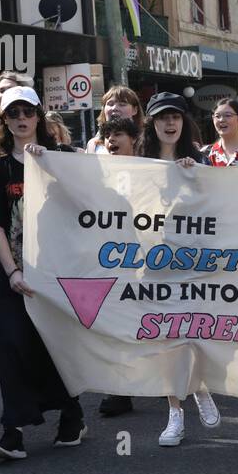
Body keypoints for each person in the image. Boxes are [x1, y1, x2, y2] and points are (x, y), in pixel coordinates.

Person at [0, 87, 86, 460]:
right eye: (13, 114)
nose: (21, 119)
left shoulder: (59, 159)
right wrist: (11, 272)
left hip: (56, 272)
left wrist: (51, 167)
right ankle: (13, 432)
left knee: (54, 344)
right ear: (5, 121)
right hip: (14, 273)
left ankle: (72, 413)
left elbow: (88, 203)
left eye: (27, 111)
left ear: (39, 116)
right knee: (12, 345)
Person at [135, 93, 220, 446]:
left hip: (194, 264)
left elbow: (221, 205)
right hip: (155, 264)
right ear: (151, 124)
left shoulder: (199, 160)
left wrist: (196, 177)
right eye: (161, 118)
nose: (169, 124)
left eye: (175, 117)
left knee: (195, 333)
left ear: (184, 123)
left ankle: (200, 388)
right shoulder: (139, 165)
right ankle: (175, 414)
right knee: (168, 338)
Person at [95, 116, 143, 418]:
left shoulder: (151, 169)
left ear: (133, 139)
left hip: (153, 258)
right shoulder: (97, 173)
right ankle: (120, 388)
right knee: (116, 323)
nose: (112, 140)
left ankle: (175, 380)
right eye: (108, 135)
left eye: (119, 134)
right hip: (113, 259)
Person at [85, 86, 144, 154]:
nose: (115, 108)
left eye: (122, 104)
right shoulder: (93, 145)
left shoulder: (148, 141)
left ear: (135, 110)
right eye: (110, 104)